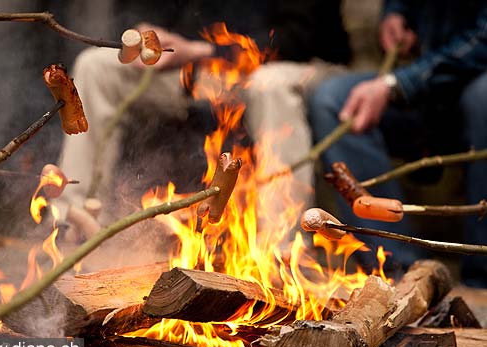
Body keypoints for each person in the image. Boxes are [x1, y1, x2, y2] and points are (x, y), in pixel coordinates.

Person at [54, 0, 352, 241]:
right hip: (199, 67)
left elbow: (299, 37)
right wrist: (152, 33)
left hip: (291, 64)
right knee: (95, 66)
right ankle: (75, 225)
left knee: (270, 86)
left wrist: (203, 51)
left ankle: (282, 248)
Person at [308, 0, 487, 286]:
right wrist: (397, 13)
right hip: (428, 92)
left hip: (469, 88)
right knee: (333, 100)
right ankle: (396, 269)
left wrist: (397, 84)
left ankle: (482, 279)